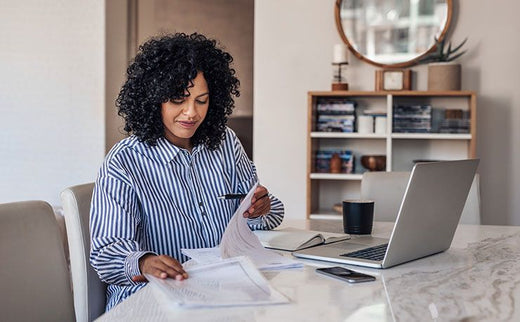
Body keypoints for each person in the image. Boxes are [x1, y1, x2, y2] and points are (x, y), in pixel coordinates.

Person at [89, 33, 284, 311]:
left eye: (201, 101)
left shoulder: (226, 143)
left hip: (223, 294)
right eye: (178, 99)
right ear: (154, 98)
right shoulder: (124, 161)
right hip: (150, 301)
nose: (191, 113)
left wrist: (261, 208)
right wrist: (144, 262)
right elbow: (107, 253)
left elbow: (261, 219)